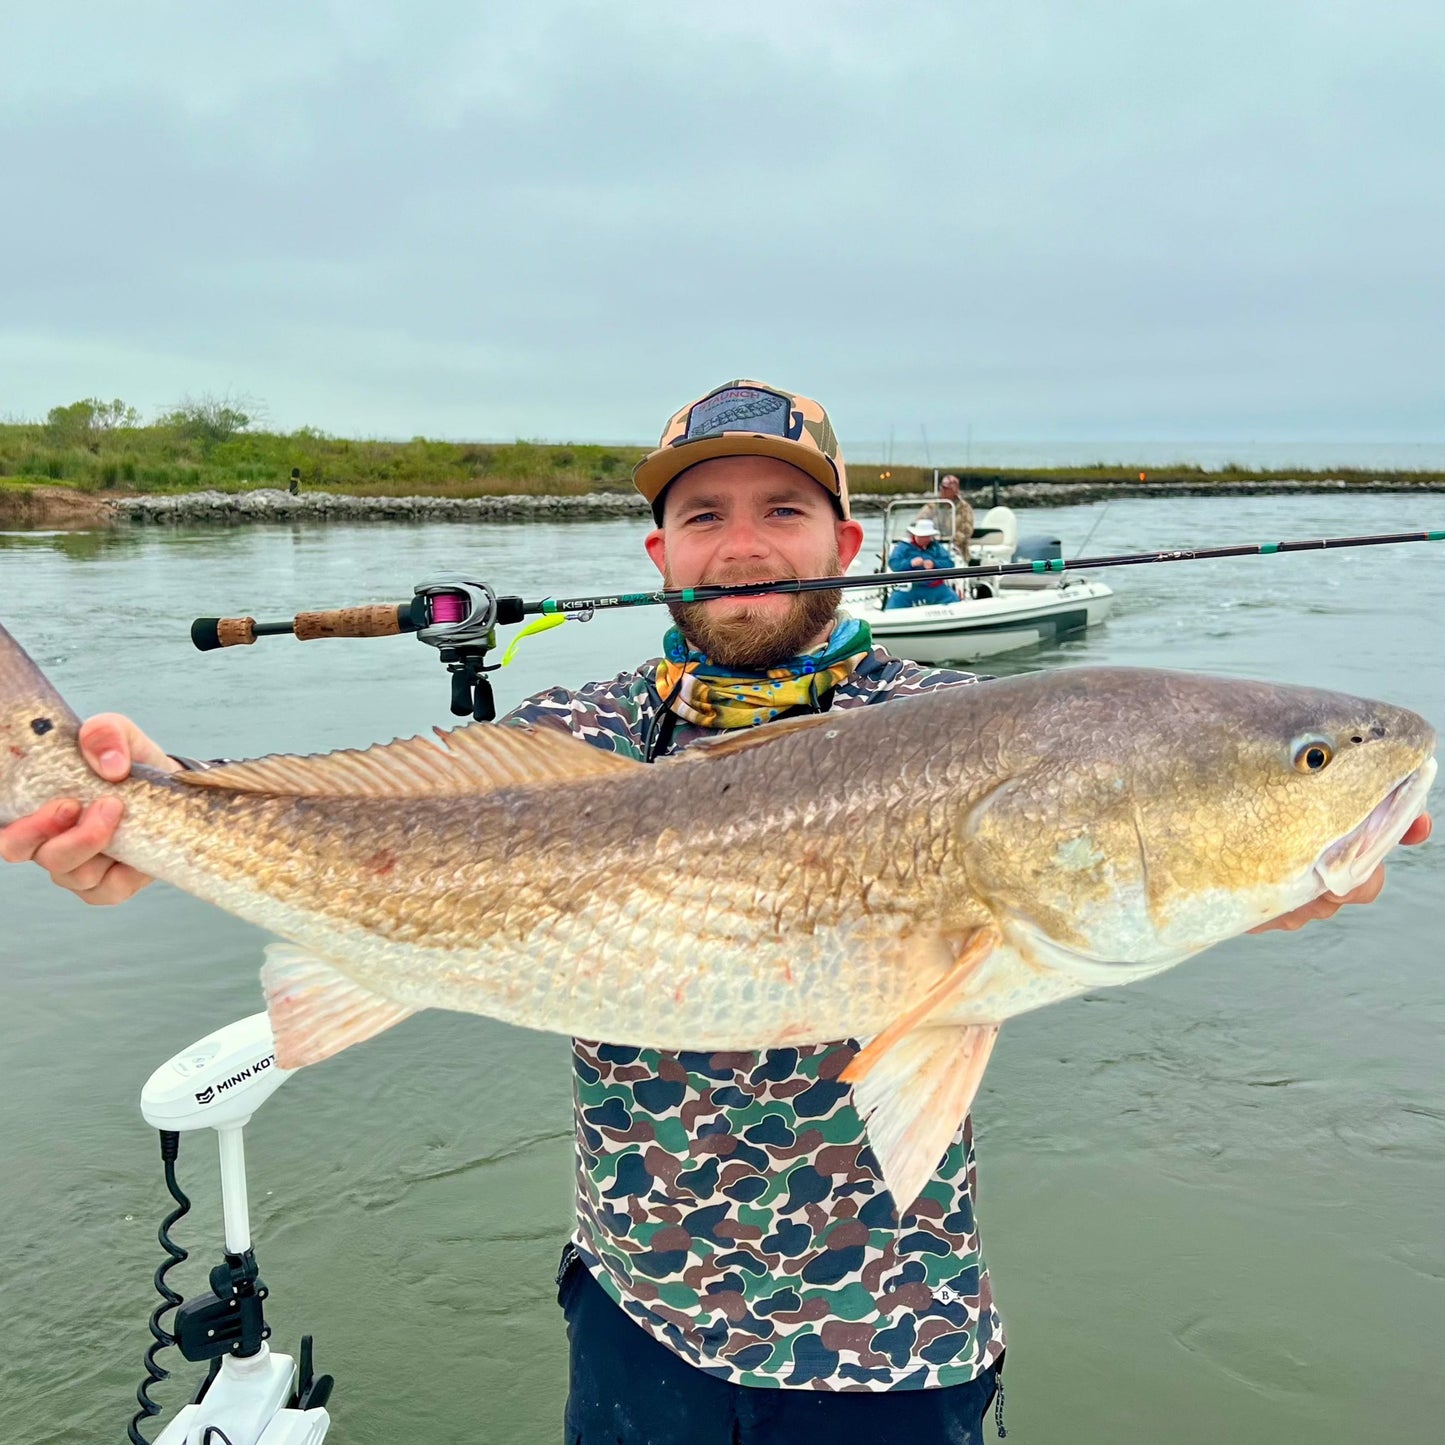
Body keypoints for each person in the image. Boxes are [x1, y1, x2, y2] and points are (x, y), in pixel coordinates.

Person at [1, 379, 1430, 1445]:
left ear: (846, 537)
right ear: (658, 554)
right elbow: (355, 829)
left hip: (892, 1345)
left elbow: (1151, 877)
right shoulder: (586, 731)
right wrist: (142, 812)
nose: (742, 546)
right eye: (703, 516)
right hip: (638, 1322)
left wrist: (1300, 867)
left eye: (781, 511)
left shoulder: (960, 719)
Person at [885, 517, 961, 609]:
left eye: (927, 536)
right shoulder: (903, 547)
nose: (925, 539)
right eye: (922, 536)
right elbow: (894, 564)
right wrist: (910, 563)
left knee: (954, 601)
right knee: (893, 607)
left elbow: (949, 563)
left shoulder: (936, 547)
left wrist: (934, 563)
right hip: (909, 588)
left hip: (935, 587)